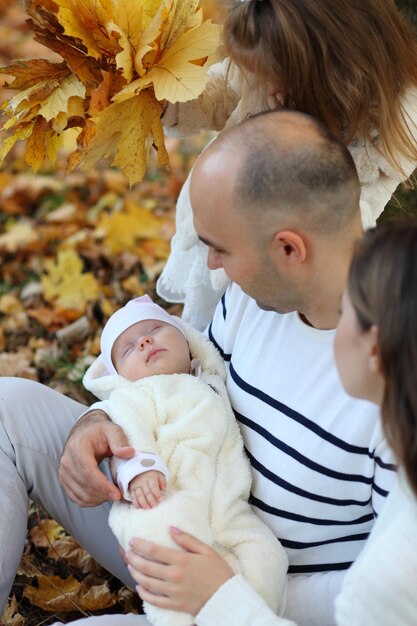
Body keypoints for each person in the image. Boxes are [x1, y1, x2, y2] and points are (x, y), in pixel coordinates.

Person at [0, 110, 394, 626]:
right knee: (7, 408)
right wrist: (96, 423)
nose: (210, 265)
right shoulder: (258, 296)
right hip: (167, 503)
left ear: (289, 248)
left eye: (220, 248)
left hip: (253, 600)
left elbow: (391, 598)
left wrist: (226, 594)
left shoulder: (392, 384)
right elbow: (183, 387)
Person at [157, 0, 417, 330]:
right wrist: (168, 99)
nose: (266, 89)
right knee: (211, 324)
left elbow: (346, 212)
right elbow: (221, 93)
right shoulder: (265, 55)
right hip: (224, 223)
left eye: (276, 79)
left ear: (334, 70)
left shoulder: (393, 123)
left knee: (259, 336)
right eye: (257, 75)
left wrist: (290, 126)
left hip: (284, 263)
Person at [83, 295, 287, 626]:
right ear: (120, 375)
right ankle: (177, 620)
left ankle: (248, 611)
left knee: (269, 559)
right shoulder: (138, 394)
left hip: (227, 505)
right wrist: (140, 472)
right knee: (165, 543)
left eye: (155, 329)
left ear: (188, 340)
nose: (145, 341)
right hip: (168, 492)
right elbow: (127, 432)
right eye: (129, 348)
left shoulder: (211, 380)